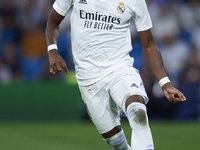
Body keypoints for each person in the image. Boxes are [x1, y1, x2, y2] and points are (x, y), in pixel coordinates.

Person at [46, 0, 186, 149]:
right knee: (117, 145)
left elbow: (149, 44)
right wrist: (52, 50)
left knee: (138, 113)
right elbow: (53, 21)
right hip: (88, 79)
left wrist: (165, 83)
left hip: (119, 68)